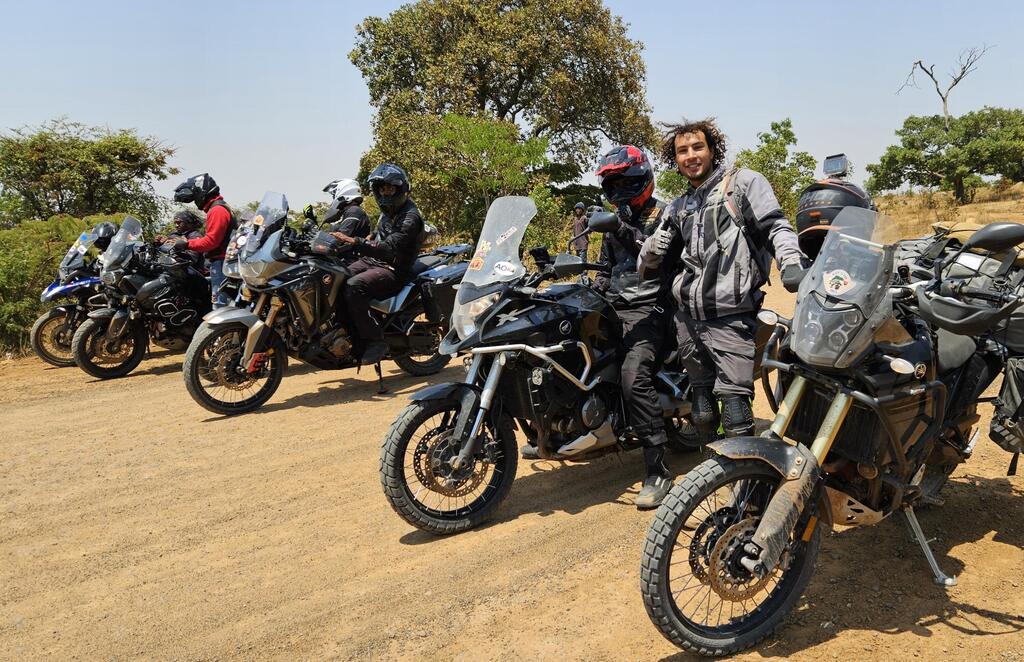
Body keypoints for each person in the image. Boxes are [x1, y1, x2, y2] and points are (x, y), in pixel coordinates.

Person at [525, 145, 674, 509]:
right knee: (563, 351)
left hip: (653, 306)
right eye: (612, 184)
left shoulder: (665, 215)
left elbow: (657, 259)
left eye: (624, 182)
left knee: (633, 374)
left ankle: (657, 469)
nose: (618, 190)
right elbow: (606, 270)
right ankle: (554, 433)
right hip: (616, 305)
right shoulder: (613, 220)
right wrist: (587, 290)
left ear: (642, 179)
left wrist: (619, 228)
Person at [641, 119, 807, 441]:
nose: (691, 156)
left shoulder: (742, 184)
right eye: (682, 151)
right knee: (702, 412)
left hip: (730, 316)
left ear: (712, 150)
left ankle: (748, 472)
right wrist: (651, 249)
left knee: (736, 414)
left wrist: (790, 260)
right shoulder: (678, 206)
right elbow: (647, 263)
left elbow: (775, 226)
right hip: (688, 321)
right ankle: (711, 468)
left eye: (697, 147)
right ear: (675, 159)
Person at [330, 164, 424, 365]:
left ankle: (375, 340)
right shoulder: (388, 212)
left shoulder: (410, 217)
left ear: (400, 188)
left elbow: (390, 248)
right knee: (336, 276)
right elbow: (378, 236)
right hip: (373, 261)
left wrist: (356, 241)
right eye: (382, 189)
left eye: (389, 188)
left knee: (354, 286)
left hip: (394, 269)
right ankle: (345, 333)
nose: (385, 193)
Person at [170, 173, 235, 308]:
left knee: (220, 306)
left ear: (201, 193)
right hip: (222, 263)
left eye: (195, 198)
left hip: (222, 264)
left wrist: (186, 244)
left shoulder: (217, 210)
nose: (195, 201)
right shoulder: (218, 208)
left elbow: (211, 241)